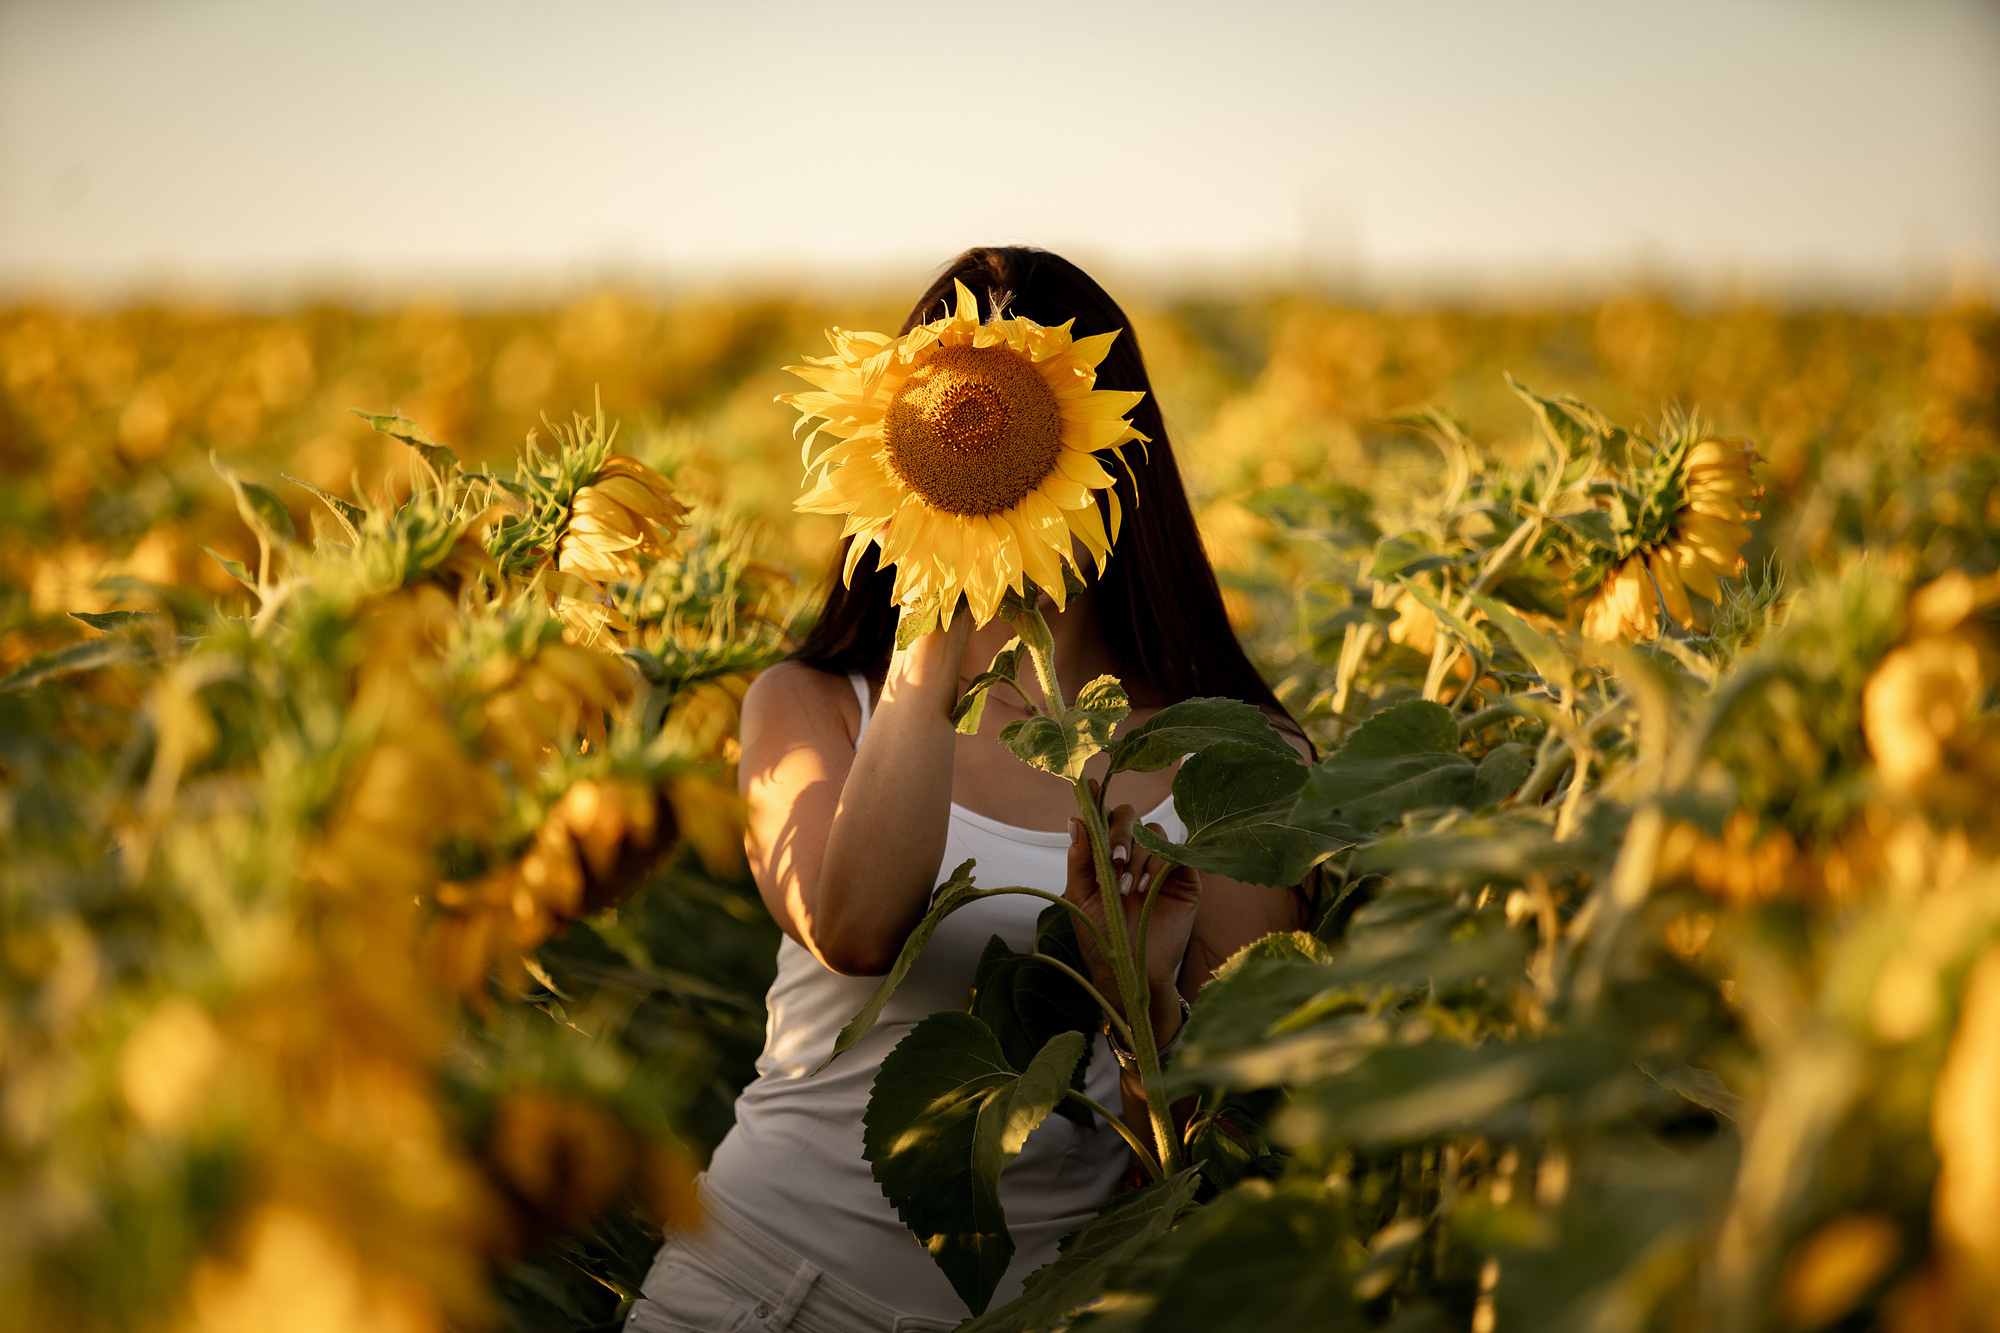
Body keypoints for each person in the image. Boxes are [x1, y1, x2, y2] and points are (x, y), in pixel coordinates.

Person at [625, 247, 1311, 1333]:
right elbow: (850, 926)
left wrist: (1136, 997)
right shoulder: (809, 707)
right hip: (753, 1289)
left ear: (1111, 453)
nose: (964, 431)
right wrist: (929, 611)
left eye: (1003, 415)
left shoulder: (1233, 759)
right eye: (935, 420)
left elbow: (1215, 1145)